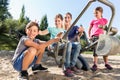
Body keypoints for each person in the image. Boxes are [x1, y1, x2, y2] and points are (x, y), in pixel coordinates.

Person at [88, 6, 113, 71]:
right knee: (96, 50)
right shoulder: (93, 21)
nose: (95, 14)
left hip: (102, 36)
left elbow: (107, 27)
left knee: (105, 49)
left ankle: (106, 63)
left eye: (96, 13)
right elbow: (89, 29)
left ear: (101, 13)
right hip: (94, 36)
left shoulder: (104, 20)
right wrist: (89, 35)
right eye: (94, 13)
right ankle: (95, 64)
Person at [63, 12, 84, 77]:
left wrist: (81, 31)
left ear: (71, 19)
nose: (66, 19)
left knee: (78, 45)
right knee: (81, 65)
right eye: (65, 17)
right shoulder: (62, 27)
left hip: (72, 44)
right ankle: (67, 67)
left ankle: (72, 65)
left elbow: (79, 34)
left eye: (68, 17)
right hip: (64, 43)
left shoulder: (74, 27)